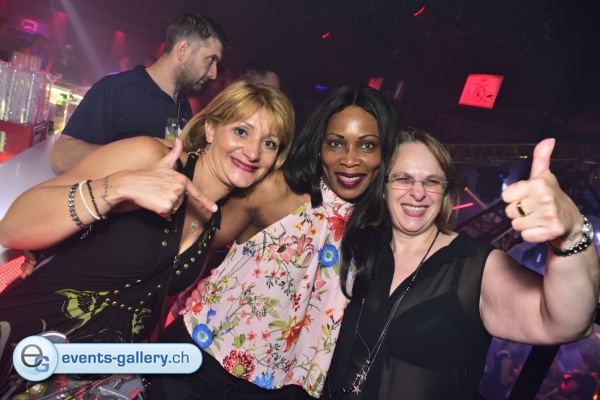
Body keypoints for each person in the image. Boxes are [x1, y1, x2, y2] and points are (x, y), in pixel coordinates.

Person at [0, 81, 295, 398]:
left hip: (94, 376)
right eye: (241, 131)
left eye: (269, 143)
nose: (253, 152)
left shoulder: (215, 219)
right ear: (210, 129)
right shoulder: (150, 155)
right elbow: (12, 227)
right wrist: (118, 188)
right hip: (30, 341)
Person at [146, 84, 399, 399]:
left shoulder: (382, 232)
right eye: (335, 143)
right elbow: (191, 246)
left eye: (367, 145)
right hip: (197, 362)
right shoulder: (277, 190)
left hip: (283, 390)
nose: (349, 160)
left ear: (384, 153)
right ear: (319, 145)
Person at [323, 129, 600, 400]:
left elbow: (568, 323)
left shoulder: (477, 264)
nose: (417, 192)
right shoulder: (358, 247)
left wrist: (573, 233)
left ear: (445, 191)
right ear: (383, 187)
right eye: (403, 178)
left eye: (431, 181)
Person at [49, 12, 230, 173]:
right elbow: (61, 156)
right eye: (210, 59)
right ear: (183, 50)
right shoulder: (115, 90)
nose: (213, 73)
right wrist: (140, 152)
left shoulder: (182, 105)